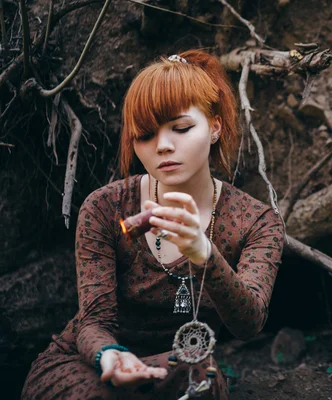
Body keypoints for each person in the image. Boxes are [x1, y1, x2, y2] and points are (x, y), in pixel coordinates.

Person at [21, 50, 285, 399]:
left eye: (181, 128)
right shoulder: (104, 207)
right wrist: (109, 355)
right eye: (145, 135)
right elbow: (94, 320)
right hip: (89, 362)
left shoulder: (257, 223)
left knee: (200, 377)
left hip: (179, 365)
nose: (162, 146)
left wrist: (205, 254)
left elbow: (249, 323)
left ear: (215, 127)